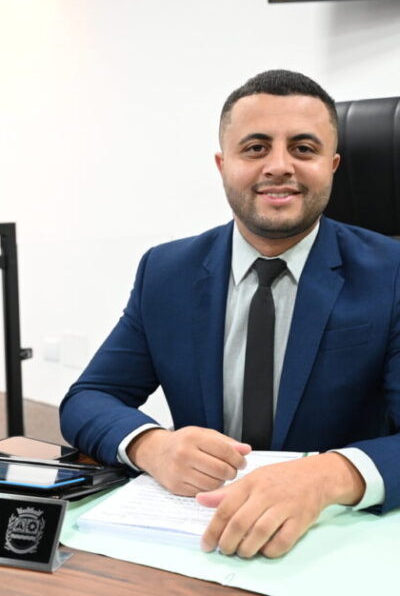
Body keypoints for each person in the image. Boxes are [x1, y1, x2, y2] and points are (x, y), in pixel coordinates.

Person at [60, 69, 400, 559]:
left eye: (303, 149)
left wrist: (327, 475)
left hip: (334, 538)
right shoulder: (167, 271)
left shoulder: (391, 273)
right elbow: (90, 397)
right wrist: (152, 445)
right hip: (198, 533)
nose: (279, 166)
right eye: (256, 148)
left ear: (332, 165)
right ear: (223, 164)